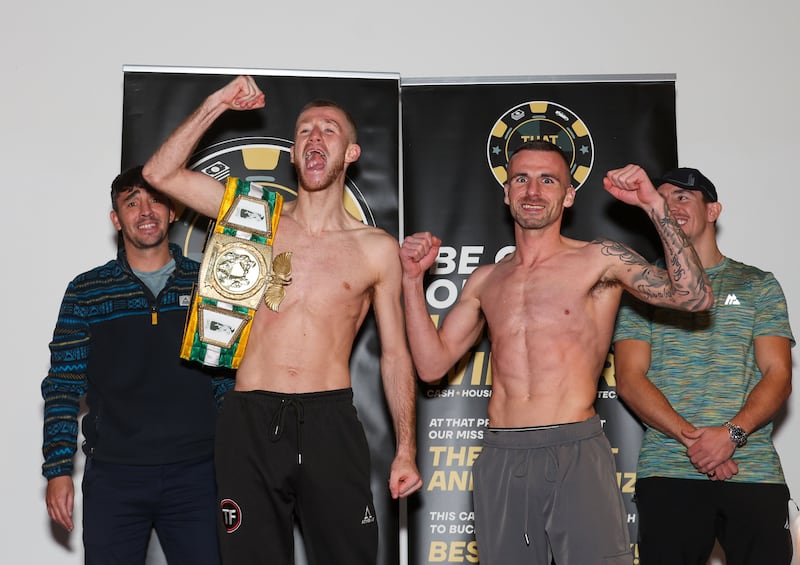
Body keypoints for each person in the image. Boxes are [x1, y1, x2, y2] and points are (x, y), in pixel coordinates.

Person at [142, 75, 422, 565]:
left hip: (329, 419)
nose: (315, 137)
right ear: (293, 152)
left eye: (329, 130)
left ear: (350, 153)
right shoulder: (252, 216)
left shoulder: (375, 248)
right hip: (249, 418)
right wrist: (217, 104)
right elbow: (161, 174)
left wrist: (406, 449)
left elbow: (395, 353)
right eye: (305, 130)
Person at [400, 141, 714, 565]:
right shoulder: (486, 280)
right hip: (501, 455)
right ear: (506, 192)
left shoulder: (598, 259)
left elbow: (693, 297)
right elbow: (430, 364)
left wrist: (654, 204)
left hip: (575, 449)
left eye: (548, 180)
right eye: (521, 179)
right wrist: (410, 282)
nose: (533, 191)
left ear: (568, 195)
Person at [41, 166, 233, 564]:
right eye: (132, 203)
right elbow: (63, 384)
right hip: (115, 476)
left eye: (156, 200)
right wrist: (58, 470)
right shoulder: (86, 292)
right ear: (116, 218)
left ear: (174, 210)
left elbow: (224, 381)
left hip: (197, 475)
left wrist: (236, 459)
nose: (146, 211)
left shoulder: (205, 286)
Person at [612, 167, 794, 564]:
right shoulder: (642, 289)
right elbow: (628, 378)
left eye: (683, 197)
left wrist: (731, 435)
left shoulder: (757, 284)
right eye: (661, 199)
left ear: (713, 211)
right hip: (668, 469)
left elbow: (778, 375)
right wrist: (699, 442)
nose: (671, 206)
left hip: (752, 470)